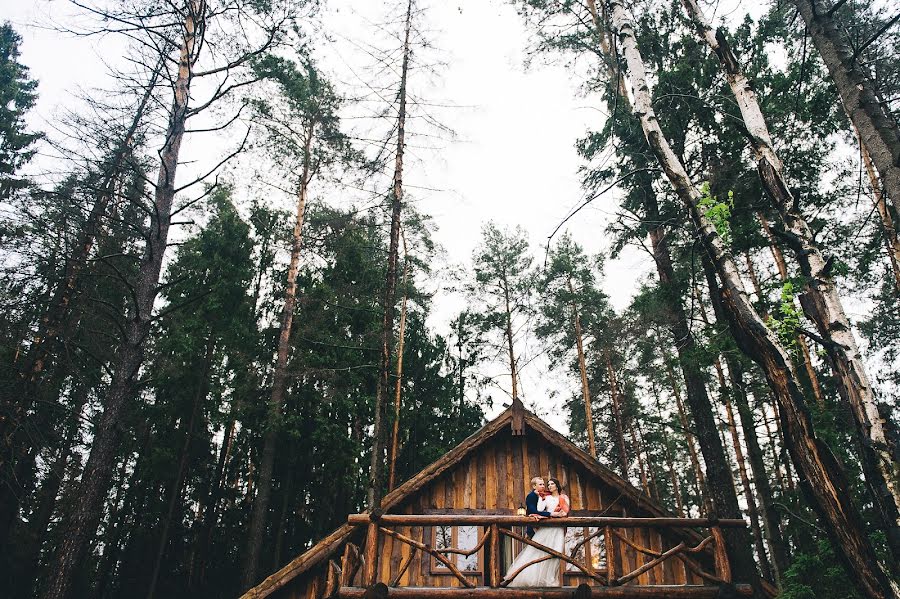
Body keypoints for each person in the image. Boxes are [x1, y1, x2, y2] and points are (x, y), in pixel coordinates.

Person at [506, 478, 570, 587]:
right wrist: (542, 502)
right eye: (548, 484)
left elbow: (565, 512)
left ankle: (550, 579)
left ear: (557, 485)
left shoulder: (564, 498)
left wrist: (557, 514)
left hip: (558, 529)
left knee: (556, 553)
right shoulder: (546, 497)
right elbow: (539, 508)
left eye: (551, 484)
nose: (549, 486)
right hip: (547, 529)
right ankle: (532, 579)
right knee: (539, 552)